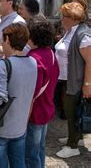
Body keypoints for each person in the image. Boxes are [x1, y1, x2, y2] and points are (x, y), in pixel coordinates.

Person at [0, 23, 37, 168]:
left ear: (7, 40)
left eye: (2, 39)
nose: (1, 42)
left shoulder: (4, 64)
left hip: (0, 129)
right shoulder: (33, 62)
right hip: (19, 127)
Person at [55, 2, 91, 158]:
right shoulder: (71, 31)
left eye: (65, 16)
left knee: (72, 111)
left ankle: (73, 146)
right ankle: (75, 137)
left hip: (76, 81)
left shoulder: (83, 35)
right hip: (67, 79)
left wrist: (87, 84)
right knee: (71, 111)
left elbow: (90, 61)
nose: (62, 19)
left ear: (74, 18)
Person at [25, 18, 60, 167]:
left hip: (35, 112)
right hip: (46, 107)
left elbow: (31, 92)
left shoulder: (33, 59)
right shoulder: (50, 53)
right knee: (40, 148)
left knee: (31, 154)